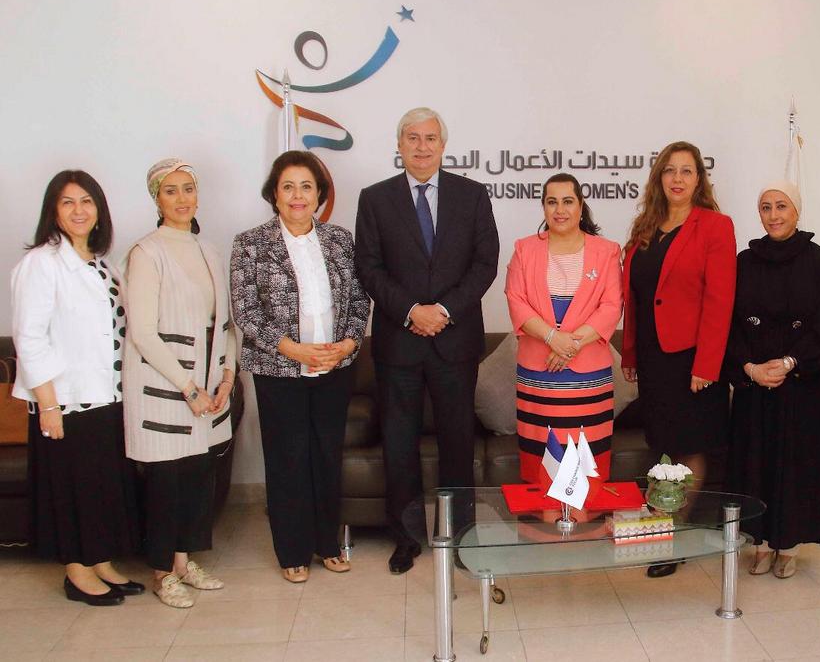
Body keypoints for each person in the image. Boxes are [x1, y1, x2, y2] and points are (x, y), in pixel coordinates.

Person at [355, 107, 500, 575]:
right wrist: (411, 311)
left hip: (455, 342)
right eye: (413, 138)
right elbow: (368, 267)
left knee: (458, 444)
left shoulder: (472, 195)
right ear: (399, 145)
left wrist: (443, 311)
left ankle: (460, 537)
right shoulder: (375, 199)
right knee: (399, 446)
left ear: (443, 145)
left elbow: (485, 263)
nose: (422, 146)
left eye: (430, 138)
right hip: (399, 344)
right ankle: (405, 539)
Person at [231, 151, 370, 583]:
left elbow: (359, 299)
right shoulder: (250, 243)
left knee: (326, 456)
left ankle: (327, 544)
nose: (298, 195)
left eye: (306, 187)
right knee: (288, 458)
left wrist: (348, 343)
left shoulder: (339, 240)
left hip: (335, 366)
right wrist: (295, 350)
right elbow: (246, 312)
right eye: (288, 186)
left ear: (319, 194)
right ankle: (292, 550)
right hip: (279, 370)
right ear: (274, 194)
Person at [10, 170, 141, 606]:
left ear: (99, 209)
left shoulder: (102, 263)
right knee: (71, 488)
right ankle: (77, 572)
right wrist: (48, 405)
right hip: (66, 400)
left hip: (107, 393)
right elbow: (29, 337)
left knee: (101, 485)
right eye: (68, 202)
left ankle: (100, 561)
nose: (79, 210)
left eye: (87, 201)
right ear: (53, 211)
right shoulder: (42, 263)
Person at [621, 141, 736, 578]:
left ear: (699, 179)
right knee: (665, 444)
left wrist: (707, 365)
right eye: (670, 170)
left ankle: (672, 535)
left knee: (690, 445)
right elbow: (637, 298)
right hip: (654, 358)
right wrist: (631, 352)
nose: (677, 178)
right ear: (659, 178)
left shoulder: (715, 226)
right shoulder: (646, 227)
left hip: (693, 360)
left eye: (687, 171)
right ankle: (661, 528)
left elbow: (720, 301)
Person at [124, 158, 235, 608]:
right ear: (157, 199)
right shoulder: (146, 252)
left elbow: (227, 323)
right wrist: (187, 388)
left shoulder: (209, 250)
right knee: (165, 481)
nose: (182, 198)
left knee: (196, 476)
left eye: (188, 188)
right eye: (170, 191)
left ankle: (184, 563)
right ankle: (161, 573)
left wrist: (228, 376)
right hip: (166, 388)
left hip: (208, 388)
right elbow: (142, 332)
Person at [725, 181, 820, 579]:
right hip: (755, 386)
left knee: (798, 466)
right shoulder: (744, 262)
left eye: (781, 206)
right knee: (755, 463)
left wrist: (791, 362)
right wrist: (750, 368)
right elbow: (729, 323)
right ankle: (759, 543)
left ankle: (789, 545)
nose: (773, 215)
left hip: (804, 386)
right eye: (766, 207)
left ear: (796, 211)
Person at [504, 173, 623, 482]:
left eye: (568, 201)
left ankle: (586, 516)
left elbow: (612, 306)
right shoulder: (524, 249)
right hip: (538, 375)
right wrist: (552, 337)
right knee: (542, 461)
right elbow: (516, 300)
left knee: (587, 462)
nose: (560, 210)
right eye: (552, 202)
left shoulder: (607, 251)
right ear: (543, 207)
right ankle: (542, 515)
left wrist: (569, 345)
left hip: (589, 378)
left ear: (581, 206)